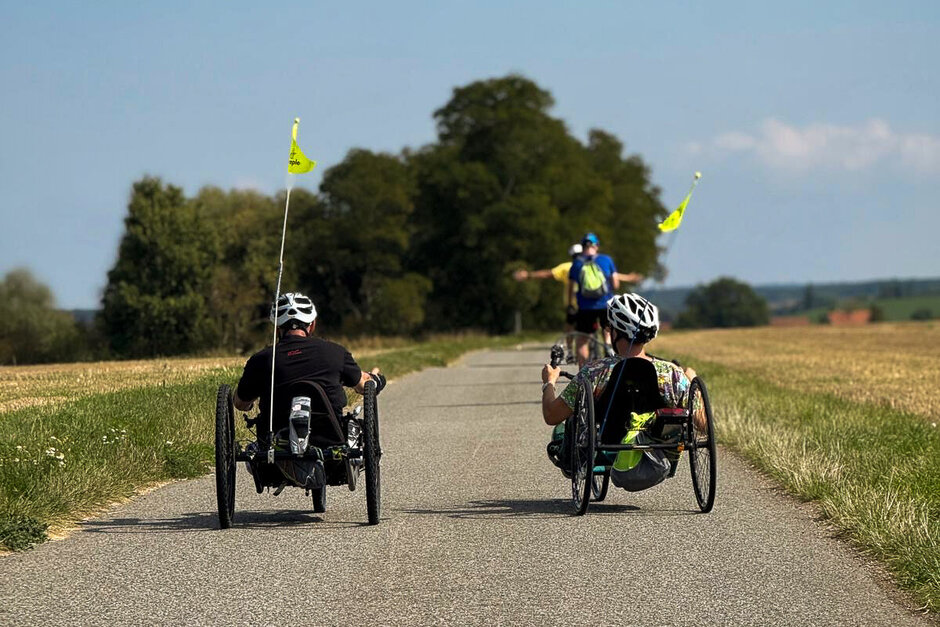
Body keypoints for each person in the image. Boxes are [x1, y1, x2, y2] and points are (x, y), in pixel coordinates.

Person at [540, 292, 700, 489]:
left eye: (609, 328)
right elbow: (702, 422)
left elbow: (551, 415)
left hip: (609, 442)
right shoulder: (672, 374)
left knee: (564, 427)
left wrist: (549, 382)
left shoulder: (594, 372)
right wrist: (691, 380)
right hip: (660, 448)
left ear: (616, 331)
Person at [234, 292, 385, 446]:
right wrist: (376, 378)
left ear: (277, 327)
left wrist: (250, 403)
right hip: (331, 440)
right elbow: (363, 385)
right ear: (312, 324)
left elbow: (240, 403)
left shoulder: (261, 359)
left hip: (274, 449)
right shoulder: (335, 352)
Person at [567, 233, 642, 365]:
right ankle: (608, 346)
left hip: (585, 307)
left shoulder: (576, 264)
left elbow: (571, 287)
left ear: (583, 246)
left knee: (582, 341)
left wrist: (569, 304)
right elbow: (615, 284)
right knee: (609, 331)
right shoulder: (606, 260)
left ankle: (583, 376)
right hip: (605, 304)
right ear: (596, 246)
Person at [513, 243, 584, 338]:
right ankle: (608, 346)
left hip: (573, 305)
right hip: (594, 302)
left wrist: (528, 275)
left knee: (569, 328)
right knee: (600, 326)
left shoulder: (567, 267)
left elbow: (547, 274)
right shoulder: (596, 265)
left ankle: (570, 350)